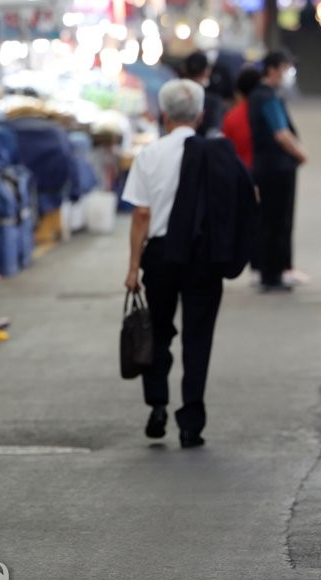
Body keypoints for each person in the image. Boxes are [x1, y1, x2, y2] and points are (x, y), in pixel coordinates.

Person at [122, 80, 255, 449]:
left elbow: (141, 216)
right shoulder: (217, 154)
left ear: (164, 116)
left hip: (162, 257)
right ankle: (191, 421)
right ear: (199, 115)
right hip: (204, 258)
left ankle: (158, 405)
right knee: (198, 337)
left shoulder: (150, 155)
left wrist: (133, 267)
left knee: (158, 332)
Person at [248, 51, 309, 291]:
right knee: (278, 219)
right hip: (277, 167)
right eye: (286, 68)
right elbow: (281, 134)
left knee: (271, 218)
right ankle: (273, 272)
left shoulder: (263, 95)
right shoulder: (266, 97)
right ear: (273, 69)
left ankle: (271, 269)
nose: (288, 73)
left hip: (268, 166)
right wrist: (300, 154)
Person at [222, 66, 264, 170]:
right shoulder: (267, 112)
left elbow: (226, 149)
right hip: (266, 173)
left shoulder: (231, 117)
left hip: (241, 172)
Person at [181, 51, 225, 138]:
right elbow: (213, 133)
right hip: (203, 148)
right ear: (207, 71)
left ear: (184, 69)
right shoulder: (213, 102)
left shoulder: (173, 95)